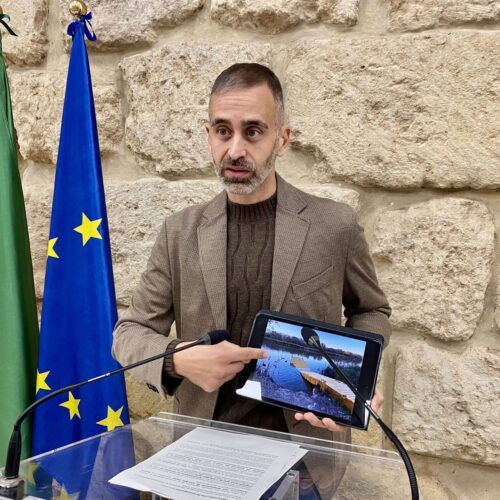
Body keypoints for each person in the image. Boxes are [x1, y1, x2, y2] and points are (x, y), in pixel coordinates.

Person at [112, 63, 391, 444]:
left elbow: (372, 311)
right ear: (209, 135)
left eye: (253, 131)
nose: (235, 150)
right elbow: (129, 332)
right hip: (201, 447)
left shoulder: (334, 225)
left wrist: (355, 378)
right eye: (223, 131)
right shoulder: (178, 232)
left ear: (283, 139)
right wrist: (176, 358)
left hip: (307, 455)